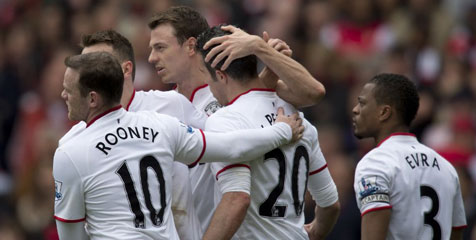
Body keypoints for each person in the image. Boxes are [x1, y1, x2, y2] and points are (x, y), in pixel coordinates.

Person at [53, 51, 304, 239]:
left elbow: (72, 236)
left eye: (68, 90)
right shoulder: (161, 126)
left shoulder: (71, 152)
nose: (63, 95)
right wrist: (281, 131)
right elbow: (231, 146)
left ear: (93, 99)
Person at [147, 6, 326, 234]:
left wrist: (262, 51)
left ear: (191, 46)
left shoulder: (232, 98)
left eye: (160, 48)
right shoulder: (159, 104)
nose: (152, 58)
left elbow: (313, 92)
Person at [58, 29, 207, 239]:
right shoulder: (73, 143)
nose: (85, 71)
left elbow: (225, 148)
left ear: (126, 69)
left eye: (97, 62)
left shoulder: (172, 106)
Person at [196, 25, 340, 240]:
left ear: (221, 75)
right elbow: (330, 204)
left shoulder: (226, 121)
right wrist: (313, 232)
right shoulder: (299, 119)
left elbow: (237, 199)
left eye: (207, 78)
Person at [351, 73, 467, 239]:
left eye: (362, 103)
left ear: (384, 112)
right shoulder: (446, 167)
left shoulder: (375, 163)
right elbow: (456, 233)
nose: (355, 109)